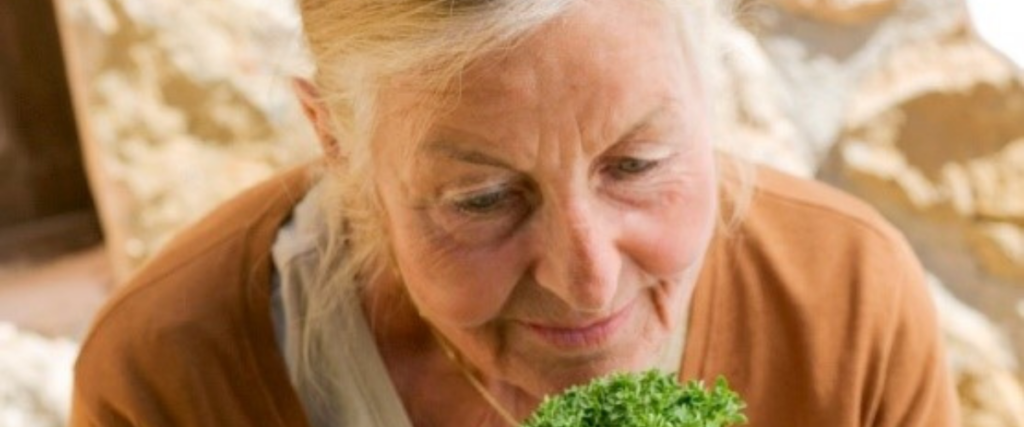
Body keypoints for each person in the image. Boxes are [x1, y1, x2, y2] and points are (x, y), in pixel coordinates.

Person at [70, 0, 961, 426]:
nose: (588, 278)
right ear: (335, 136)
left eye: (637, 163)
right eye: (484, 199)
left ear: (707, 80)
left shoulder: (848, 307)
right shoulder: (168, 378)